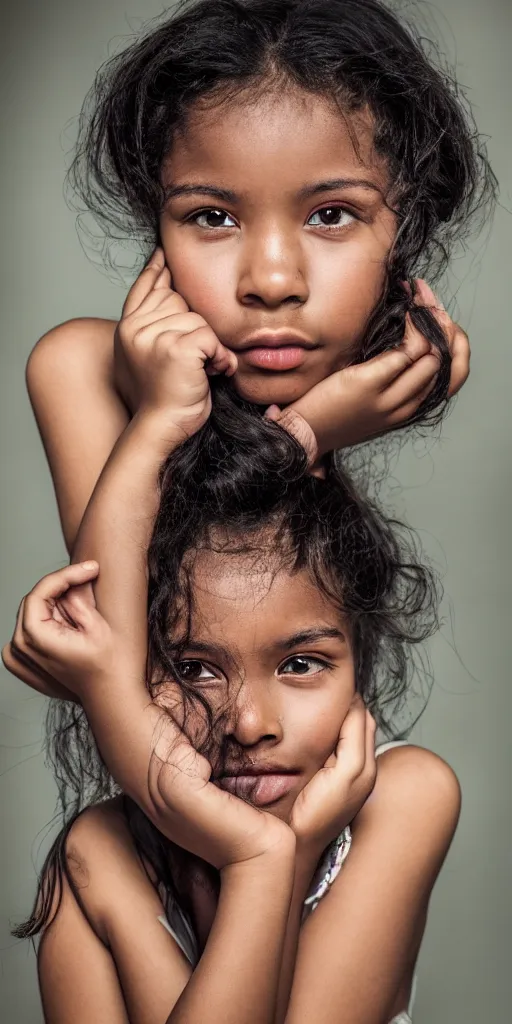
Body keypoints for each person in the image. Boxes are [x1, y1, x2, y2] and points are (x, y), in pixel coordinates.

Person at [10, 390, 460, 1024]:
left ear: (361, 653)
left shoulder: (405, 797)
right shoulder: (96, 859)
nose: (251, 726)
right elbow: (66, 359)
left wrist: (283, 857)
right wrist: (265, 857)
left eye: (301, 664)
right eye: (194, 670)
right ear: (131, 682)